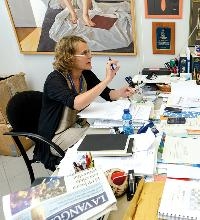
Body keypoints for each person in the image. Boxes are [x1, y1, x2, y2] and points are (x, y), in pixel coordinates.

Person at [35, 35, 135, 170]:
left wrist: (122, 92)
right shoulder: (55, 80)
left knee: (111, 134)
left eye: (89, 51)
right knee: (104, 142)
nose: (90, 55)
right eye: (84, 53)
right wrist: (107, 79)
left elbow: (108, 94)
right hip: (56, 136)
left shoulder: (85, 74)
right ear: (69, 58)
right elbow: (76, 103)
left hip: (77, 126)